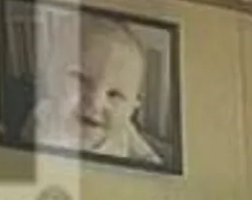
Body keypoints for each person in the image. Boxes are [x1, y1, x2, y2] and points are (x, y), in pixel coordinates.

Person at [22, 11, 160, 167]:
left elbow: (151, 162)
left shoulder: (125, 133)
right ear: (50, 76)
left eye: (114, 94)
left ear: (134, 106)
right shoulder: (45, 117)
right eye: (80, 79)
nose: (95, 102)